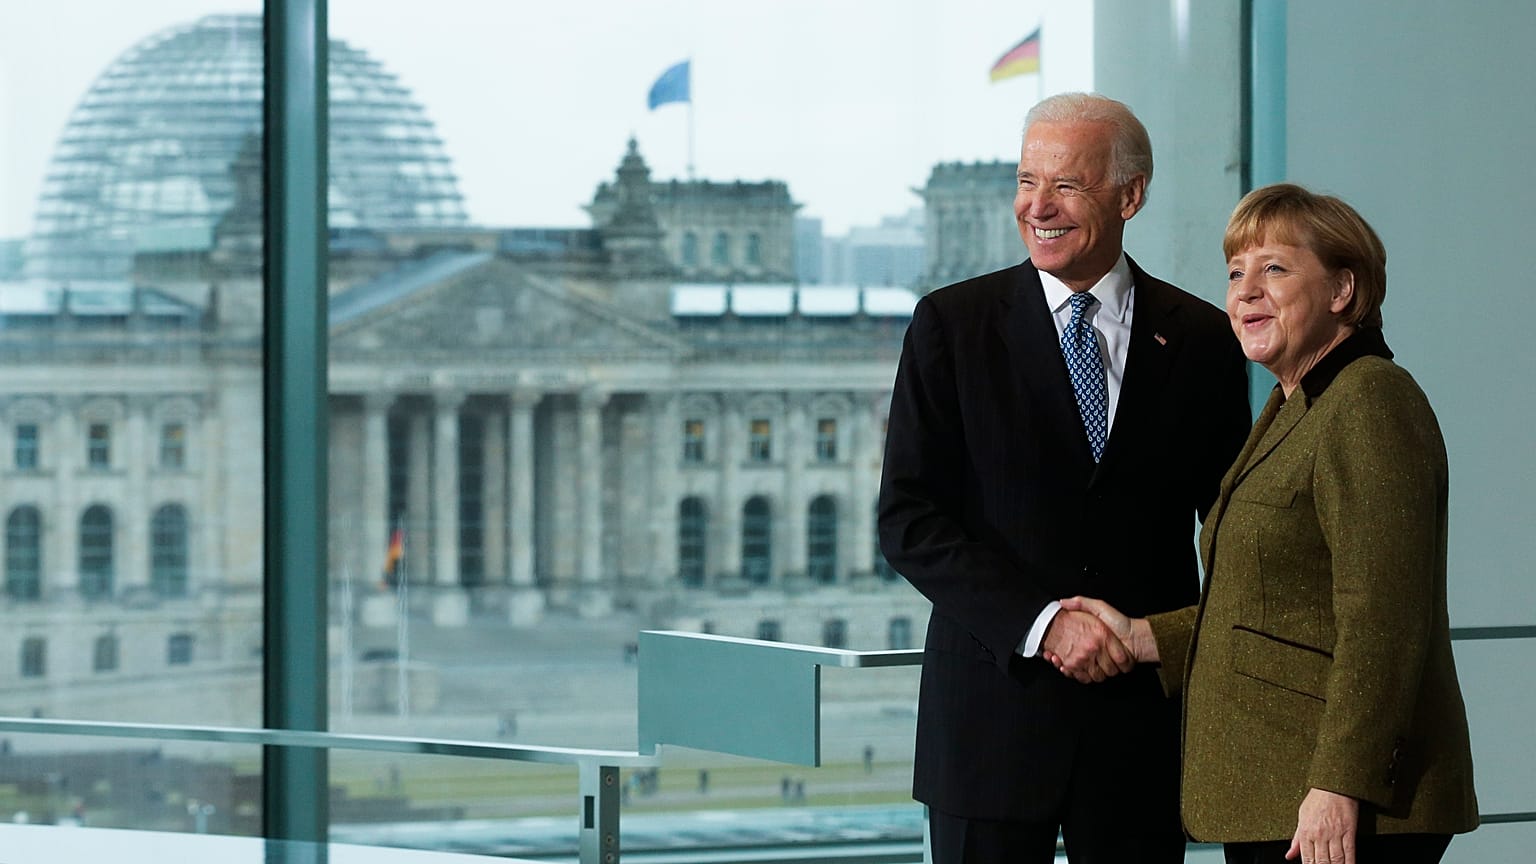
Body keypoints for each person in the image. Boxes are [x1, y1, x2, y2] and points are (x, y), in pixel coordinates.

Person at [877, 92, 1251, 864]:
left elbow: (1235, 526)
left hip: (1138, 729)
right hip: (989, 723)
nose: (1037, 207)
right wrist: (1047, 624)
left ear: (1130, 196)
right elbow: (910, 519)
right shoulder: (951, 325)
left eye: (1066, 186)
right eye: (1025, 181)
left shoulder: (1203, 338)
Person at [1058, 183, 1479, 864]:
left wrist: (1339, 783)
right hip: (1280, 794)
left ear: (1343, 290)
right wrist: (1144, 637)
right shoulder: (1297, 405)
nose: (1245, 292)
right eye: (1234, 273)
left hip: (1335, 807)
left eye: (1274, 269)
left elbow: (1385, 618)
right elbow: (1279, 603)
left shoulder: (1369, 400)